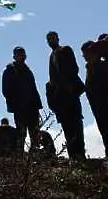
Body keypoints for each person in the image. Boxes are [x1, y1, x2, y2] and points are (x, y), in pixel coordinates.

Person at [45, 32, 86, 160]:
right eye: (49, 39)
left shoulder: (65, 50)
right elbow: (52, 78)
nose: (51, 41)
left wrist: (68, 84)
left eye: (52, 38)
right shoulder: (51, 56)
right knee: (67, 127)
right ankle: (73, 155)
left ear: (58, 38)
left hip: (70, 94)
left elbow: (73, 68)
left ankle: (80, 154)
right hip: (61, 98)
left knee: (76, 125)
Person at [81, 40, 108, 158]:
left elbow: (104, 85)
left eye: (86, 54)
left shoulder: (101, 66)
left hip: (104, 102)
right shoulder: (90, 67)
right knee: (102, 127)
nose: (84, 57)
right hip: (95, 103)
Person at [2, 46, 42, 152]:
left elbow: (33, 88)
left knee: (35, 133)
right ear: (14, 56)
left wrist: (37, 104)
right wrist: (15, 103)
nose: (21, 56)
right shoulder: (10, 70)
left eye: (22, 54)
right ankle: (20, 156)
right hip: (20, 107)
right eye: (19, 54)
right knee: (21, 133)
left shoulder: (28, 71)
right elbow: (6, 90)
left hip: (32, 106)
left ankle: (35, 155)